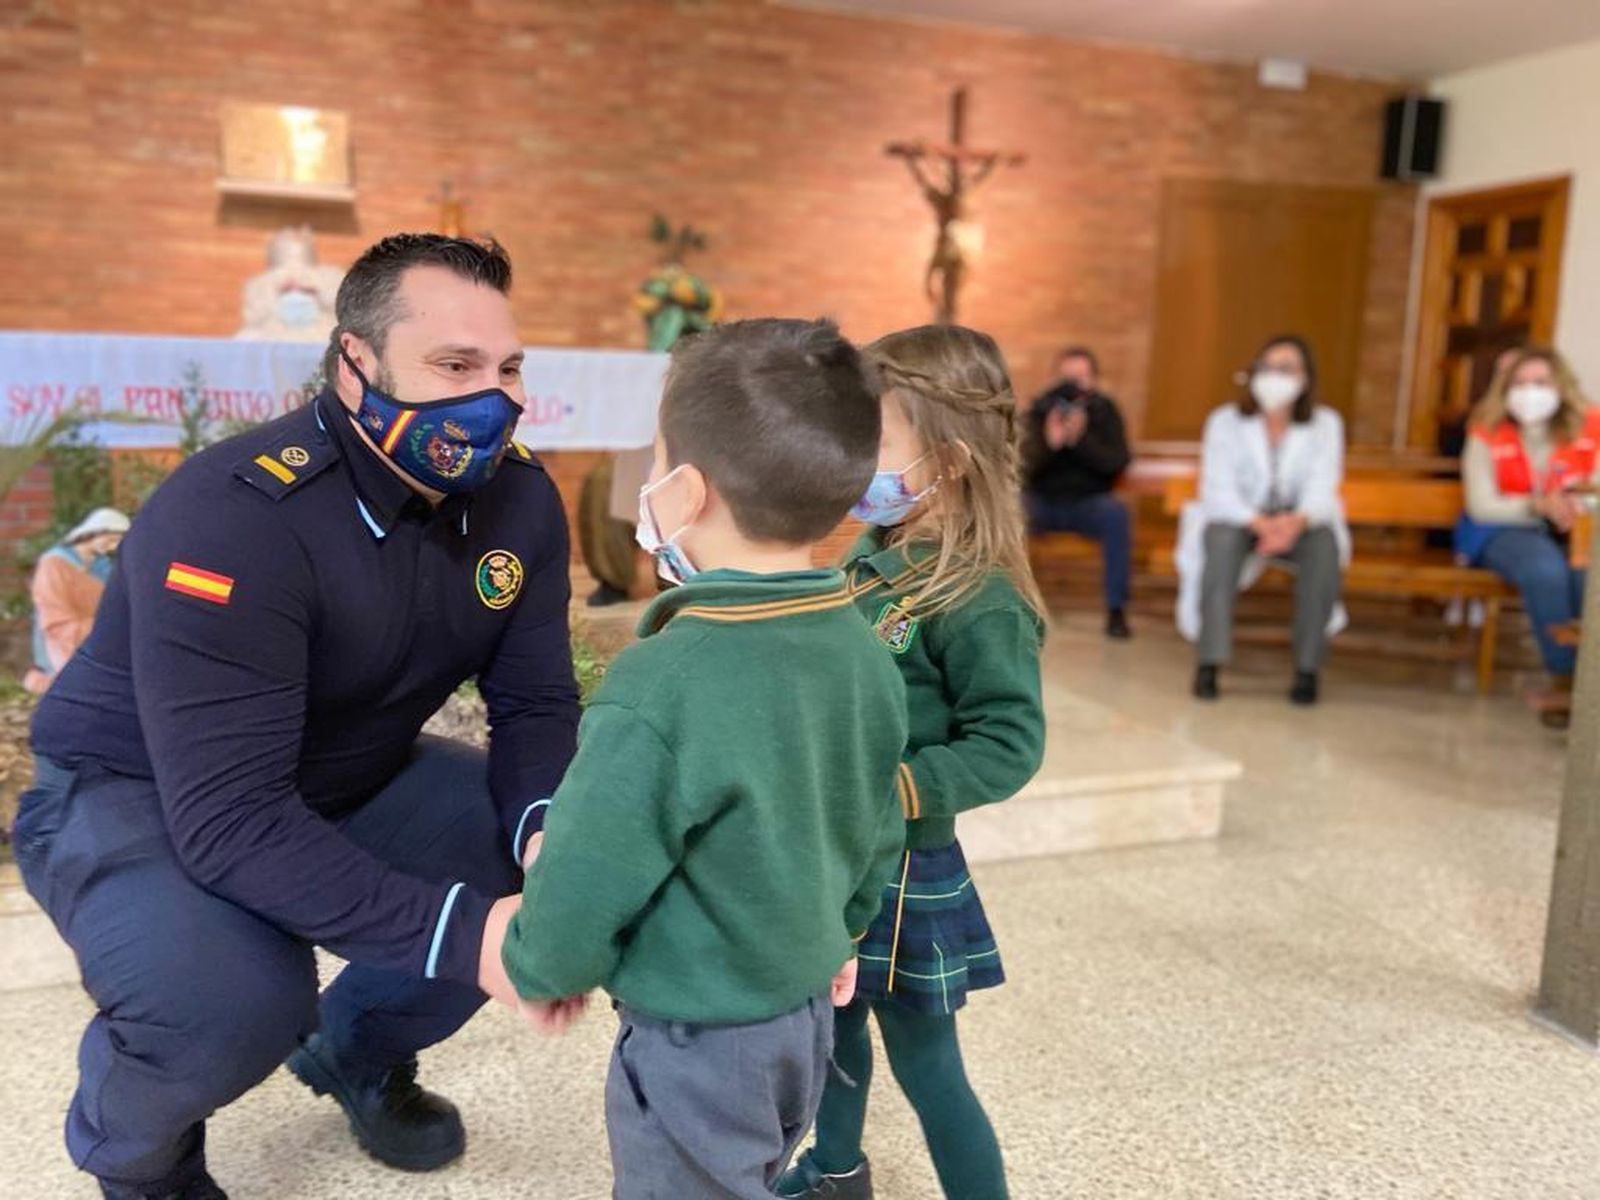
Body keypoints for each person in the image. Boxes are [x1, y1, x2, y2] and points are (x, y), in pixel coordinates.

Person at [13, 234, 580, 1200]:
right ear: (355, 365)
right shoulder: (235, 516)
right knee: (229, 1005)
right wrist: (467, 938)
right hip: (137, 790)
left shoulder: (517, 498)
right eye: (455, 365)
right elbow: (229, 817)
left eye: (509, 365)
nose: (501, 398)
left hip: (343, 771)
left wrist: (546, 840)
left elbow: (533, 701)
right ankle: (138, 1158)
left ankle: (354, 1053)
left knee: (533, 858)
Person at [497, 319, 909, 1200]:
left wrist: (543, 963)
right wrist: (843, 933)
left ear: (684, 492)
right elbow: (875, 820)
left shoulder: (666, 675)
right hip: (803, 1019)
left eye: (653, 463)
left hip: (701, 1035)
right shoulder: (863, 645)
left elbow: (594, 856)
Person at [779, 324, 1047, 1200]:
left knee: (930, 1072)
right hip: (839, 855)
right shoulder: (871, 557)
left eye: (876, 443)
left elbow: (1009, 742)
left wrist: (901, 786)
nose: (857, 464)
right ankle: (834, 1172)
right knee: (836, 1034)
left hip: (903, 862)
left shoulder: (980, 596)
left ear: (953, 461)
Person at [1184, 334, 1346, 706]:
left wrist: (1295, 523)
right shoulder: (1225, 422)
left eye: (1286, 368)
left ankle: (1307, 668)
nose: (1275, 376)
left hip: (1300, 523)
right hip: (1241, 519)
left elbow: (1324, 485)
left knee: (1324, 548)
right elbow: (1217, 488)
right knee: (1220, 541)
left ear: (1305, 379)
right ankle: (1209, 661)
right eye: (1268, 367)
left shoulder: (1325, 424)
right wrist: (1259, 523)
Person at [1455, 347, 1598, 729]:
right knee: (1544, 569)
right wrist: (1538, 506)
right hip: (1503, 529)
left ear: (1561, 386)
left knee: (1587, 574)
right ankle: (1564, 678)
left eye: (1540, 382)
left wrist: (1574, 507)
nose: (1529, 391)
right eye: (1519, 383)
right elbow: (1482, 504)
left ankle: (1591, 681)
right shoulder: (1485, 429)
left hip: (1576, 528)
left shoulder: (1591, 424)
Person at [1022, 345, 1134, 638]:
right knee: (1010, 510)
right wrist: (1049, 441)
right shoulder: (1038, 411)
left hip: (1089, 504)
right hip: (1041, 503)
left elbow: (1117, 462)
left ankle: (1116, 610)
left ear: (1094, 380)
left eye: (1080, 378)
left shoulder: (1105, 411)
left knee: (1116, 514)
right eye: (1066, 378)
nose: (1072, 387)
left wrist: (1082, 439)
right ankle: (1016, 603)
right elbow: (1017, 468)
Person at [24, 506, 129, 695]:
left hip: (95, 636)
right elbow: (54, 614)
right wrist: (95, 627)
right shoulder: (54, 563)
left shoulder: (103, 566)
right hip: (61, 638)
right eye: (111, 539)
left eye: (118, 541)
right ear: (95, 532)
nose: (113, 546)